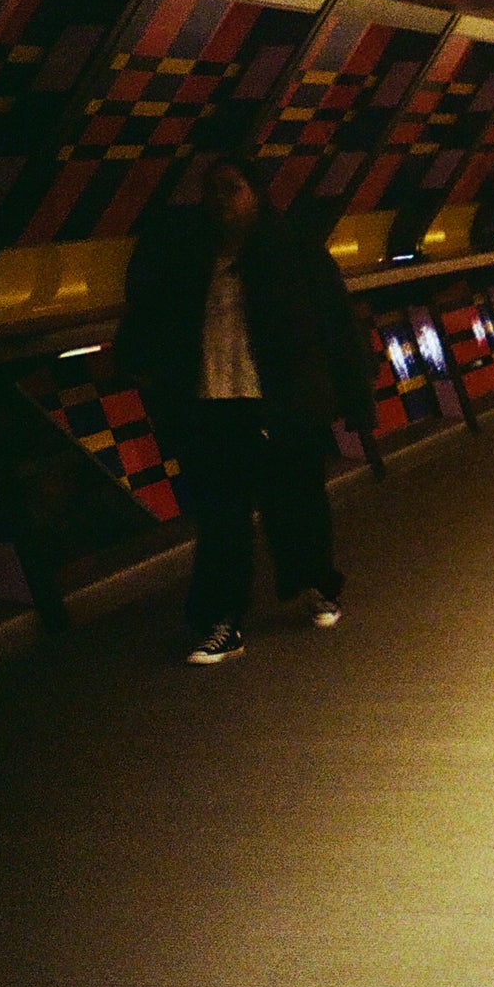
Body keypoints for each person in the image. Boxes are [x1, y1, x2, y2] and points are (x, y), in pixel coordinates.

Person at [117, 153, 375, 663]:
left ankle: (318, 583)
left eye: (230, 188)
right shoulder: (189, 258)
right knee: (220, 520)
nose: (218, 200)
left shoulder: (294, 251)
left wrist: (356, 400)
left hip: (280, 406)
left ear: (256, 193)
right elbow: (154, 321)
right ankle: (221, 619)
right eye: (211, 190)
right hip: (211, 408)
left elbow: (337, 327)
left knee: (297, 503)